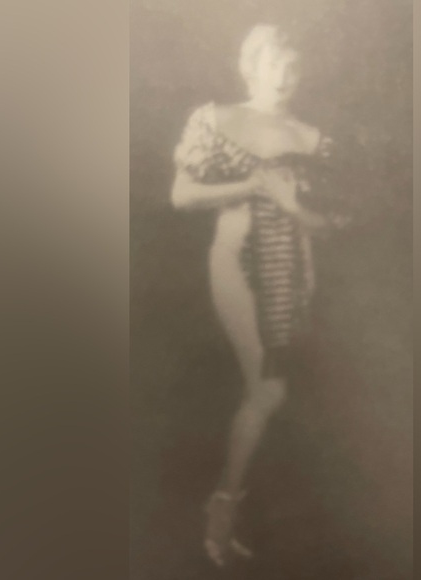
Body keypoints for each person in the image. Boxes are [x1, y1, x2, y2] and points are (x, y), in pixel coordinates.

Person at [171, 24, 350, 567]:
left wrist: (296, 218)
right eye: (274, 63)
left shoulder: (311, 137)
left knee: (272, 394)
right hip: (235, 263)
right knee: (268, 391)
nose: (285, 75)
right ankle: (223, 507)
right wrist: (252, 187)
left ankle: (227, 506)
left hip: (290, 272)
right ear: (249, 67)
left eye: (294, 66)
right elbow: (182, 195)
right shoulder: (218, 118)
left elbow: (325, 225)